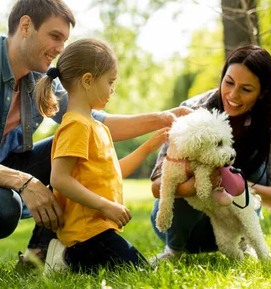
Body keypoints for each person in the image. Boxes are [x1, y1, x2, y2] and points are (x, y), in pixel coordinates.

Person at [0, 0, 190, 273]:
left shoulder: (38, 77)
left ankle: (39, 254)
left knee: (62, 149)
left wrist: (162, 118)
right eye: (55, 36)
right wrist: (26, 183)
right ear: (25, 26)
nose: (61, 48)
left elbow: (92, 120)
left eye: (64, 39)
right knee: (3, 207)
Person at [36, 38, 170, 273]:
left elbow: (113, 173)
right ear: (87, 80)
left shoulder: (97, 127)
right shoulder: (76, 126)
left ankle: (67, 257)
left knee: (135, 266)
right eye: (110, 82)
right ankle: (67, 257)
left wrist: (148, 147)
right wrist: (105, 205)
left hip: (99, 229)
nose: (112, 90)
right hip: (87, 233)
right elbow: (59, 178)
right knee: (140, 271)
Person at [149, 45, 271, 261]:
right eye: (229, 82)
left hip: (232, 226)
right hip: (185, 230)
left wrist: (238, 184)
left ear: (262, 93)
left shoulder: (266, 133)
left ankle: (244, 245)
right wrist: (197, 184)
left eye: (246, 89)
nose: (233, 95)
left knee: (255, 164)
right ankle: (173, 251)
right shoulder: (192, 113)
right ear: (222, 76)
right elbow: (157, 185)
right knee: (181, 170)